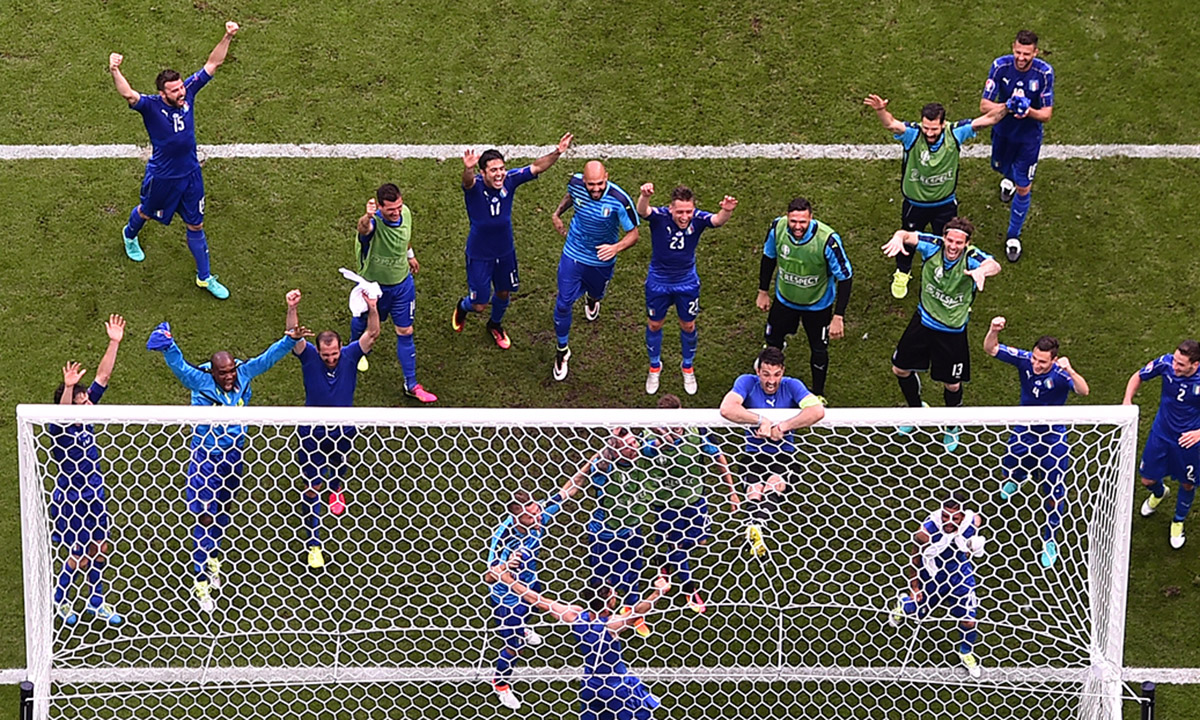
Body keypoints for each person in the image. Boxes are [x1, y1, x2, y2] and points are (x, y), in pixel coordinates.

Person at [146, 309, 311, 613]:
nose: (229, 376)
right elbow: (179, 366)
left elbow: (265, 360)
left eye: (231, 370)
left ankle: (213, 561)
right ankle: (200, 583)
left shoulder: (244, 375)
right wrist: (168, 344)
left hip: (234, 458)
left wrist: (289, 341)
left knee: (223, 513)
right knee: (204, 518)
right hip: (205, 460)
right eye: (223, 373)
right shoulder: (199, 381)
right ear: (213, 373)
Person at [109, 21, 240, 299]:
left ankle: (204, 277)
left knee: (196, 224)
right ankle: (129, 234)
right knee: (146, 211)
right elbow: (127, 94)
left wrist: (227, 36)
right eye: (175, 90)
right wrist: (115, 70)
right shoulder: (150, 107)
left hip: (191, 175)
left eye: (181, 88)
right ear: (162, 94)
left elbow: (212, 63)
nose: (181, 93)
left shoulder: (189, 93)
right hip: (163, 177)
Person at [862, 95, 1005, 298]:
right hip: (914, 204)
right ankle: (903, 272)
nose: (929, 133)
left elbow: (988, 119)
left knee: (951, 244)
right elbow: (892, 124)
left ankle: (947, 275)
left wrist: (1009, 106)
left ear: (943, 124)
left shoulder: (955, 133)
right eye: (926, 128)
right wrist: (880, 110)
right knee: (908, 242)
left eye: (934, 129)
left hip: (944, 205)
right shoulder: (913, 135)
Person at [484, 566, 670, 720]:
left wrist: (507, 579)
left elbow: (537, 600)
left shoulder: (575, 616)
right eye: (613, 595)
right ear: (607, 604)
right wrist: (657, 592)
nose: (616, 596)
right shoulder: (610, 626)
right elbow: (637, 612)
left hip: (590, 684)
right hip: (617, 687)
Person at [882, 218, 1001, 451]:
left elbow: (994, 265)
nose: (953, 246)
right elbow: (906, 235)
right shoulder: (932, 245)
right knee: (900, 368)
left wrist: (981, 272)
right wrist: (898, 237)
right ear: (944, 237)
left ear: (967, 243)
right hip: (923, 321)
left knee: (952, 385)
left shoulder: (971, 257)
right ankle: (917, 411)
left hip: (952, 332)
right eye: (950, 240)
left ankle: (951, 425)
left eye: (959, 242)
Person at [983, 318, 1090, 567]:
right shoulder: (1025, 360)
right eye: (1034, 359)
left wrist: (1071, 370)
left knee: (1053, 490)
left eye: (1042, 361)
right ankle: (1016, 480)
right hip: (1024, 428)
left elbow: (1084, 391)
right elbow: (991, 349)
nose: (1036, 364)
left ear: (1054, 360)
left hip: (1052, 437)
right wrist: (993, 330)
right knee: (1011, 463)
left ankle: (1050, 538)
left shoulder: (1062, 374)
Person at [286, 289, 380, 569]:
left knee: (339, 462)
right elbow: (293, 335)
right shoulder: (308, 357)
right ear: (319, 350)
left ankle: (337, 487)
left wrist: (372, 308)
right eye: (326, 354)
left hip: (343, 429)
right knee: (312, 485)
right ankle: (314, 543)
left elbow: (373, 334)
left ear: (341, 348)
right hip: (311, 433)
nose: (330, 358)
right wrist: (292, 308)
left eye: (334, 353)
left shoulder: (351, 355)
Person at [453, 134, 574, 349]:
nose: (499, 174)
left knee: (503, 292)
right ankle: (463, 307)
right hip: (480, 254)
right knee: (479, 304)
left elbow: (536, 167)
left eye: (501, 168)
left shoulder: (509, 179)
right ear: (483, 173)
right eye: (493, 170)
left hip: (505, 251)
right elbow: (467, 181)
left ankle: (495, 325)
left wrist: (558, 151)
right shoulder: (475, 187)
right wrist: (468, 168)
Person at [49, 315, 126, 627]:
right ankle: (60, 600)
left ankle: (96, 601)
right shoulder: (60, 429)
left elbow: (103, 377)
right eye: (82, 403)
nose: (89, 405)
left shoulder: (87, 418)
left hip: (95, 493)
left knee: (100, 547)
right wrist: (68, 390)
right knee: (79, 556)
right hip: (71, 500)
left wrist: (114, 342)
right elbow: (64, 413)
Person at [485, 479, 586, 710]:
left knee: (529, 614)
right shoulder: (503, 537)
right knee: (514, 646)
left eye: (537, 511)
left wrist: (594, 460)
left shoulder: (538, 514)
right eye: (531, 516)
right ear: (516, 517)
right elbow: (488, 577)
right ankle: (500, 685)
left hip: (531, 584)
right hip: (507, 598)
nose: (537, 517)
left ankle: (523, 628)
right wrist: (506, 567)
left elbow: (567, 491)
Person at [719, 346, 825, 556]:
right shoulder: (746, 382)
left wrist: (781, 428)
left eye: (776, 374)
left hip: (783, 453)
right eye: (766, 374)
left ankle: (754, 526)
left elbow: (817, 410)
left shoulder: (792, 386)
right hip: (753, 453)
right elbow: (727, 408)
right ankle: (756, 528)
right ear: (758, 371)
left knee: (773, 484)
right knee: (754, 491)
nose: (771, 380)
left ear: (783, 371)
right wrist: (761, 420)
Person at [635, 184, 736, 396]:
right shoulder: (660, 217)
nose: (684, 216)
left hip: (686, 282)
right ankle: (655, 366)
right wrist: (644, 196)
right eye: (680, 212)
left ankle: (687, 366)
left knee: (688, 325)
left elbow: (717, 221)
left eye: (688, 211)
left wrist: (726, 210)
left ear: (693, 208)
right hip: (659, 281)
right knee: (655, 324)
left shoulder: (697, 219)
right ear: (671, 208)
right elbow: (643, 211)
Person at [643, 394, 737, 614]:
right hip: (665, 502)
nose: (674, 426)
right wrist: (661, 442)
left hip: (694, 499)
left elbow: (718, 457)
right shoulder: (648, 435)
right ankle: (689, 588)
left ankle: (664, 564)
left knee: (700, 539)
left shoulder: (697, 431)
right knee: (677, 545)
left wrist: (732, 491)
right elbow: (645, 452)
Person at [549, 161, 640, 381]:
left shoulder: (619, 200)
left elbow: (634, 234)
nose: (595, 189)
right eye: (591, 185)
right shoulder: (575, 183)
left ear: (607, 178)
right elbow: (571, 196)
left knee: (597, 292)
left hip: (601, 259)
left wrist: (615, 247)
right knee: (563, 303)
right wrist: (557, 213)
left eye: (599, 183)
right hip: (574, 251)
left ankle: (592, 299)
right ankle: (562, 350)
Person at [755, 197, 852, 404]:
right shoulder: (777, 227)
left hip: (817, 306)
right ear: (787, 218)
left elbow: (845, 277)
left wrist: (838, 316)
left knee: (818, 348)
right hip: (785, 300)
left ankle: (818, 393)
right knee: (772, 341)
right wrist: (763, 291)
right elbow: (768, 257)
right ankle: (767, 381)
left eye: (802, 222)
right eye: (793, 221)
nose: (797, 226)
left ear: (811, 218)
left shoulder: (828, 240)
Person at [351, 184, 437, 402]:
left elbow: (405, 235)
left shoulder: (405, 212)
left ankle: (411, 384)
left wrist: (410, 255)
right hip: (374, 288)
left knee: (406, 331)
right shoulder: (373, 224)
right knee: (366, 325)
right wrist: (366, 216)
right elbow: (363, 229)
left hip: (402, 285)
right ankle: (355, 353)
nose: (396, 212)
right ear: (380, 207)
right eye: (390, 209)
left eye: (398, 206)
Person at [888, 492, 987, 679]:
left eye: (954, 518)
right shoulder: (926, 532)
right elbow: (914, 558)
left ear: (962, 516)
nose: (948, 522)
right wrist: (914, 586)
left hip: (960, 577)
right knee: (917, 613)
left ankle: (965, 651)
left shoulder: (973, 522)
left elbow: (969, 546)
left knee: (969, 620)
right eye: (944, 516)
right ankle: (903, 603)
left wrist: (974, 548)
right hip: (933, 577)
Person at [979, 29, 1055, 262]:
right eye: (1018, 52)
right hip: (1002, 133)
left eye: (1027, 54)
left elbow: (1046, 114)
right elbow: (984, 105)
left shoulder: (1044, 73)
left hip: (1028, 139)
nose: (1022, 58)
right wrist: (1009, 106)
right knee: (1003, 169)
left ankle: (1013, 236)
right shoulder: (1000, 67)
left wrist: (1027, 110)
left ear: (1036, 52)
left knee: (1024, 185)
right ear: (1013, 47)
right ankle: (1009, 179)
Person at [1123, 340, 1200, 549]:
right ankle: (1160, 493)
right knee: (1147, 479)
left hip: (1188, 441)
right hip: (1161, 435)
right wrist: (1127, 400)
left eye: (1181, 365)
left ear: (1195, 364)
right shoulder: (1165, 364)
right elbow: (1138, 376)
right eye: (1175, 361)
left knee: (1187, 483)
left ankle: (1178, 520)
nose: (1175, 367)